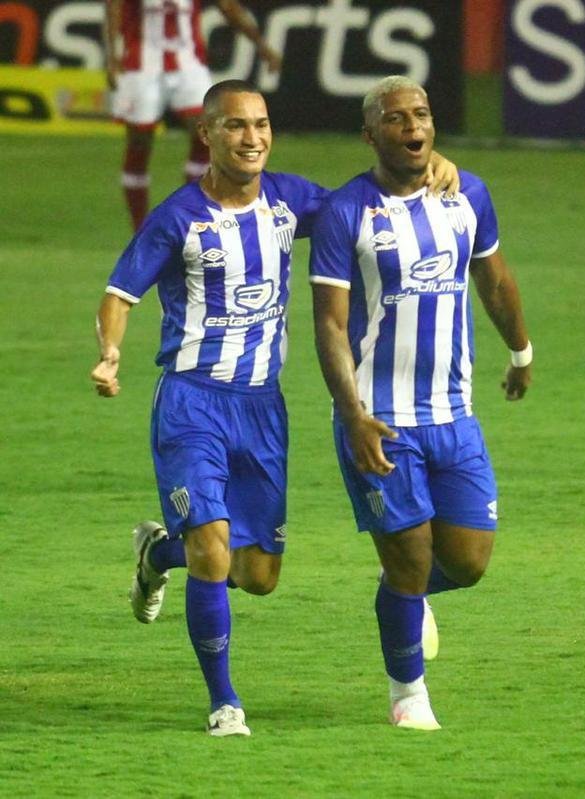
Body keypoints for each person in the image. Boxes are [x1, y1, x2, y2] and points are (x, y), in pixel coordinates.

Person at [89, 79, 459, 737]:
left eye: (261, 124)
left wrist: (431, 168)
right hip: (192, 402)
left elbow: (364, 200)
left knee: (256, 574)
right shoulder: (180, 217)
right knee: (213, 544)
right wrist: (111, 353)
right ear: (207, 135)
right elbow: (121, 292)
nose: (253, 137)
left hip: (263, 409)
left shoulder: (288, 201)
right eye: (236, 126)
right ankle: (224, 702)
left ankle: (157, 554)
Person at [309, 75, 532, 731]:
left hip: (454, 415)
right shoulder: (347, 212)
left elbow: (492, 277)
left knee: (467, 561)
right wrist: (351, 414)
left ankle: (400, 597)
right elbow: (329, 323)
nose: (413, 126)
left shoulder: (467, 195)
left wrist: (520, 350)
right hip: (381, 418)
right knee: (408, 558)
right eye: (397, 117)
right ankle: (409, 693)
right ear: (371, 134)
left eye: (422, 114)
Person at [104, 0, 283, 231]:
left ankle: (195, 217)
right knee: (139, 143)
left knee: (207, 136)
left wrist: (261, 46)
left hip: (188, 65)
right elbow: (115, 6)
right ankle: (140, 229)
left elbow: (228, 7)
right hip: (140, 65)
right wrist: (112, 55)